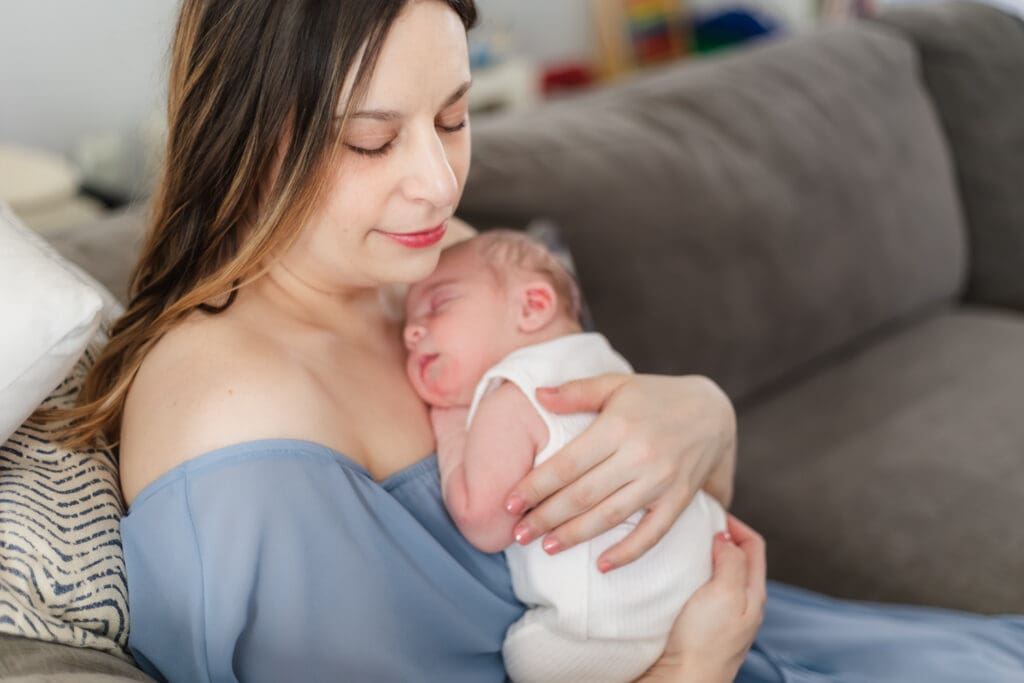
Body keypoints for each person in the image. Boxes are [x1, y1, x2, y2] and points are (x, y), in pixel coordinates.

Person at [49, 1, 1024, 682]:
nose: (437, 183)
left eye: (455, 116)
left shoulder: (440, 262)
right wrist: (690, 666)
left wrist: (699, 413)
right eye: (371, 140)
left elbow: (632, 492)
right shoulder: (238, 431)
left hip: (787, 630)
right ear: (237, 138)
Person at [404, 229, 728, 683]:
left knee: (529, 662)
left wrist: (451, 421)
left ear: (533, 306)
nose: (412, 330)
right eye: (408, 326)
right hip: (706, 574)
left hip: (612, 628)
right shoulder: (599, 358)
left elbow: (484, 521)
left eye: (439, 305)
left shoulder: (513, 393)